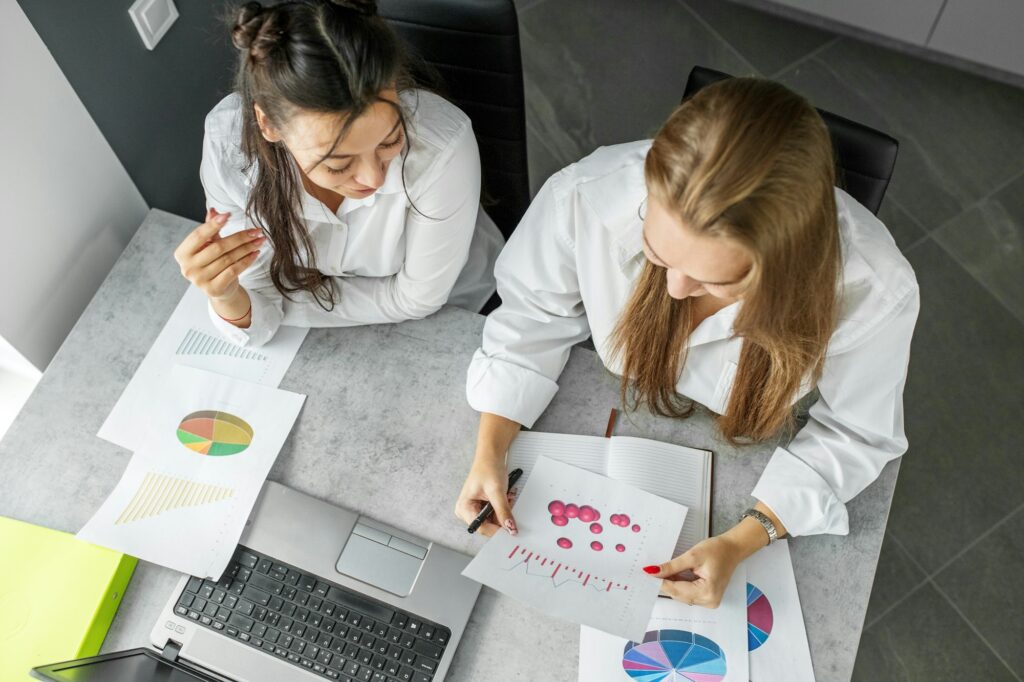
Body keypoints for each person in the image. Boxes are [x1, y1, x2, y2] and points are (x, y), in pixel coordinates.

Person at [455, 77, 919, 608]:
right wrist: (491, 449)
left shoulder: (875, 291)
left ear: (786, 264)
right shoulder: (586, 195)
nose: (675, 289)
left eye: (717, 281)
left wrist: (745, 538)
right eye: (656, 250)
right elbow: (531, 317)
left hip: (745, 455)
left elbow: (857, 436)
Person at [173, 0, 503, 347]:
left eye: (390, 140)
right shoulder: (230, 150)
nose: (373, 180)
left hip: (462, 311)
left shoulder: (442, 148)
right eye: (338, 163)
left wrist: (280, 302)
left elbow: (417, 299)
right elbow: (256, 303)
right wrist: (226, 295)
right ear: (269, 124)